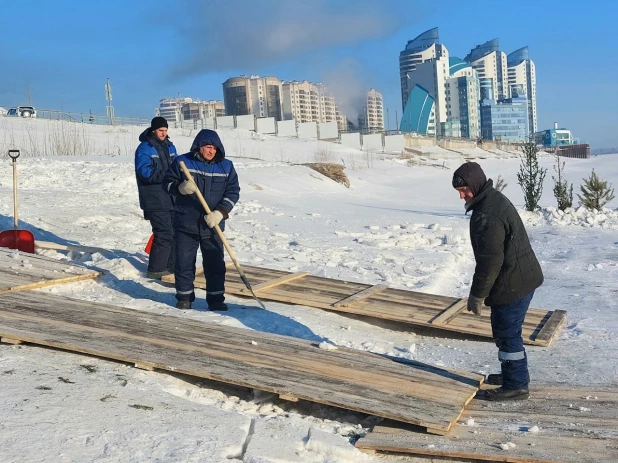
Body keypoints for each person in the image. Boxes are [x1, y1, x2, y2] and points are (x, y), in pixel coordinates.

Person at [452, 162, 543, 401]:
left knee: (506, 333)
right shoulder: (491, 199)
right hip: (520, 276)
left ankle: (516, 385)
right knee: (506, 332)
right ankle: (512, 374)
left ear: (475, 184)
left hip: (512, 283)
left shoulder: (486, 215)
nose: (462, 196)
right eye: (459, 192)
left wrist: (477, 295)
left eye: (464, 190)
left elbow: (489, 261)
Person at [162, 129, 240, 311]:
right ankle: (184, 297)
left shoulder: (226, 166)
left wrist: (221, 212)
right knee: (183, 263)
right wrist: (180, 187)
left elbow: (233, 191)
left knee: (215, 264)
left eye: (214, 147)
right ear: (199, 147)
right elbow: (166, 183)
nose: (211, 151)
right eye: (207, 147)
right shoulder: (183, 162)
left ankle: (215, 299)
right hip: (186, 223)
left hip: (212, 225)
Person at [135, 116, 177, 279]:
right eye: (161, 130)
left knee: (176, 232)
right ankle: (156, 269)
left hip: (171, 197)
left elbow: (177, 165)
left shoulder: (170, 146)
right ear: (154, 130)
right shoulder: (145, 148)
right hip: (154, 199)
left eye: (166, 130)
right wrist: (167, 174)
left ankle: (172, 266)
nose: (164, 133)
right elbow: (144, 172)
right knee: (164, 233)